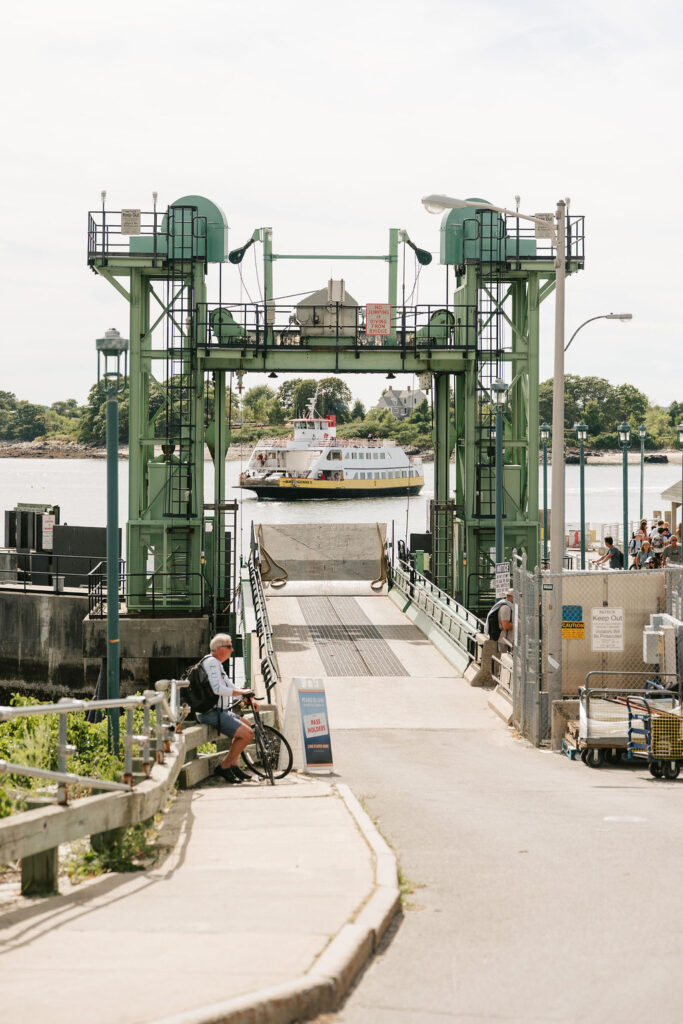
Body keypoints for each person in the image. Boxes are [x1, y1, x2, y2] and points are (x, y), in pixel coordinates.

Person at [195, 633, 259, 784]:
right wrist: (242, 693)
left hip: (220, 711)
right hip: (211, 712)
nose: (232, 650)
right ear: (219, 648)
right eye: (229, 647)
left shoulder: (217, 664)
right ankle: (224, 766)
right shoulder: (211, 662)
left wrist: (246, 697)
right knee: (248, 734)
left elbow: (229, 687)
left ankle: (234, 765)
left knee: (247, 725)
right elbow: (218, 689)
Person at [485, 590, 514, 675]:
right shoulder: (506, 608)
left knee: (506, 663)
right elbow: (505, 625)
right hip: (505, 641)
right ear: (511, 597)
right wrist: (519, 624)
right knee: (505, 663)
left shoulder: (508, 606)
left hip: (506, 640)